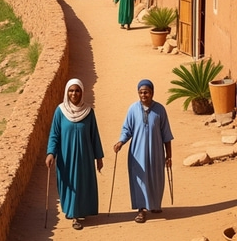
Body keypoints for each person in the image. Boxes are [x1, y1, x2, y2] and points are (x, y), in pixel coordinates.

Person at [46, 79, 104, 230]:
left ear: (82, 92)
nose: (74, 94)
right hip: (66, 157)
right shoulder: (60, 111)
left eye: (77, 90)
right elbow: (54, 134)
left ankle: (78, 213)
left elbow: (94, 136)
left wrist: (99, 157)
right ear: (66, 92)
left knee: (81, 183)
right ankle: (74, 215)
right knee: (70, 183)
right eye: (71, 90)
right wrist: (51, 153)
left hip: (85, 157)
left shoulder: (89, 112)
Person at [113, 79, 173, 223]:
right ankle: (141, 210)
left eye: (146, 92)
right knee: (140, 179)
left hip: (156, 152)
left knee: (156, 178)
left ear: (152, 93)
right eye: (140, 92)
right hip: (137, 153)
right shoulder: (133, 109)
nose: (143, 95)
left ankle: (154, 205)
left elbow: (166, 134)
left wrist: (169, 155)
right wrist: (121, 142)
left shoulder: (160, 110)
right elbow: (127, 129)